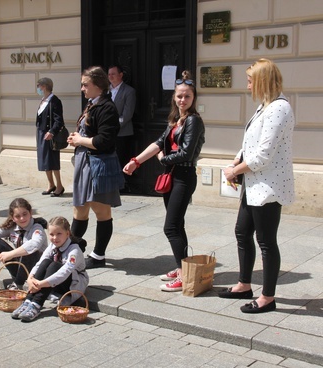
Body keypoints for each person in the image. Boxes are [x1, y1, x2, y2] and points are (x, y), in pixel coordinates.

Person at [218, 59, 295, 314]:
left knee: (266, 241)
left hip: (268, 186)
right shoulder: (266, 107)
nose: (248, 85)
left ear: (262, 81)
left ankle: (268, 297)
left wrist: (234, 170)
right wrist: (237, 159)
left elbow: (264, 154)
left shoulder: (279, 108)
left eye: (251, 80)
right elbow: (251, 142)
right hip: (253, 184)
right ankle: (244, 284)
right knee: (242, 232)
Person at [123, 70, 205, 292]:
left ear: (193, 98)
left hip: (184, 176)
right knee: (177, 225)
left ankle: (183, 274)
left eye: (187, 96)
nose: (182, 99)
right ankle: (184, 268)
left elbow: (187, 153)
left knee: (170, 227)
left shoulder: (193, 121)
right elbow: (158, 143)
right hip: (173, 176)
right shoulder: (175, 121)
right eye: (179, 95)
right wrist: (135, 161)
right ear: (174, 97)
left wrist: (163, 159)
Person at [67, 66, 123, 269]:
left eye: (85, 84)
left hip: (99, 164)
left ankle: (98, 255)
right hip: (86, 162)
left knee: (101, 209)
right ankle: (70, 250)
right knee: (79, 208)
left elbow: (105, 140)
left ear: (98, 85)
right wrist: (77, 139)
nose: (82, 88)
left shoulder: (107, 107)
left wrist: (81, 139)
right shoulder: (92, 104)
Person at [11, 216, 89, 322]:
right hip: (53, 282)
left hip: (72, 284)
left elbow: (64, 272)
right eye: (51, 234)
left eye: (59, 234)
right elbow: (40, 263)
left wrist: (41, 284)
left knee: (54, 265)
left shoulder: (74, 250)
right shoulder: (52, 246)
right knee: (46, 262)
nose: (55, 238)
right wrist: (30, 278)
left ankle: (37, 304)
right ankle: (28, 301)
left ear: (67, 233)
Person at [0, 198, 48, 295]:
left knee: (30, 250)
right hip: (19, 266)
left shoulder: (37, 227)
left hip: (36, 269)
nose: (22, 218)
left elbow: (34, 244)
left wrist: (11, 254)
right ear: (13, 218)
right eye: (18, 216)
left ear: (30, 213)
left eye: (25, 214)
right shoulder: (13, 227)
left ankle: (18, 284)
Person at [108, 65, 136, 193]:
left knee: (120, 158)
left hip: (122, 132)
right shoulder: (105, 91)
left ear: (120, 75)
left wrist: (113, 126)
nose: (110, 76)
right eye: (109, 74)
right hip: (107, 132)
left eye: (113, 74)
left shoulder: (128, 91)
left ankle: (121, 185)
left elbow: (127, 114)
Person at [35, 77, 65, 197]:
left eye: (39, 86)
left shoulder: (55, 101)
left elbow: (59, 120)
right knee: (44, 161)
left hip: (50, 135)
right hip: (41, 133)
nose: (38, 89)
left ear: (45, 86)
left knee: (52, 161)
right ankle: (50, 184)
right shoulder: (43, 100)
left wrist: (52, 131)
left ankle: (59, 186)